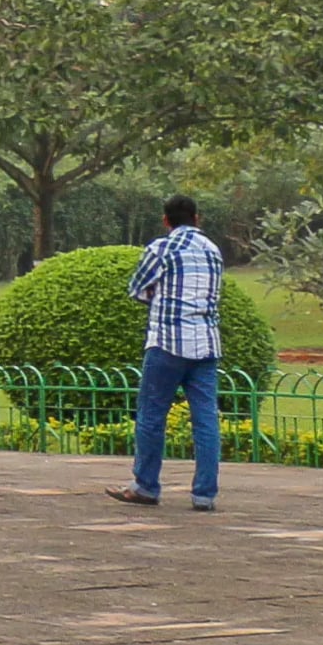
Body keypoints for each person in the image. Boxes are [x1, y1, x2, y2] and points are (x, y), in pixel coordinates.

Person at [109, 194, 228, 512]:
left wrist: (161, 298)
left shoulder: (161, 248)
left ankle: (146, 486)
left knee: (152, 414)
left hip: (167, 342)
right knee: (205, 419)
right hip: (206, 344)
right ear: (197, 218)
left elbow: (137, 289)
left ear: (166, 220)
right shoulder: (213, 251)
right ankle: (205, 494)